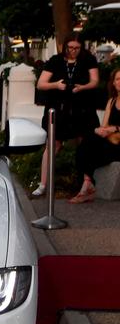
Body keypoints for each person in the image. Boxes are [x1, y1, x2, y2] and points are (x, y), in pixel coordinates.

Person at [31, 34, 100, 196]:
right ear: (65, 47)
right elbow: (41, 84)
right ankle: (43, 184)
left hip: (82, 109)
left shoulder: (88, 59)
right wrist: (56, 85)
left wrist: (82, 88)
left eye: (77, 48)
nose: (73, 51)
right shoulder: (55, 60)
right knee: (53, 145)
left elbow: (95, 81)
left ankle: (85, 183)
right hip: (58, 109)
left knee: (85, 144)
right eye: (70, 47)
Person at [69, 66, 120, 202]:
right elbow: (104, 125)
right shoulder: (112, 101)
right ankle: (87, 182)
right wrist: (101, 130)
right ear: (113, 83)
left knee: (90, 148)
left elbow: (111, 127)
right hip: (110, 143)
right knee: (85, 143)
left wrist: (114, 128)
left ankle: (87, 186)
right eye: (118, 79)